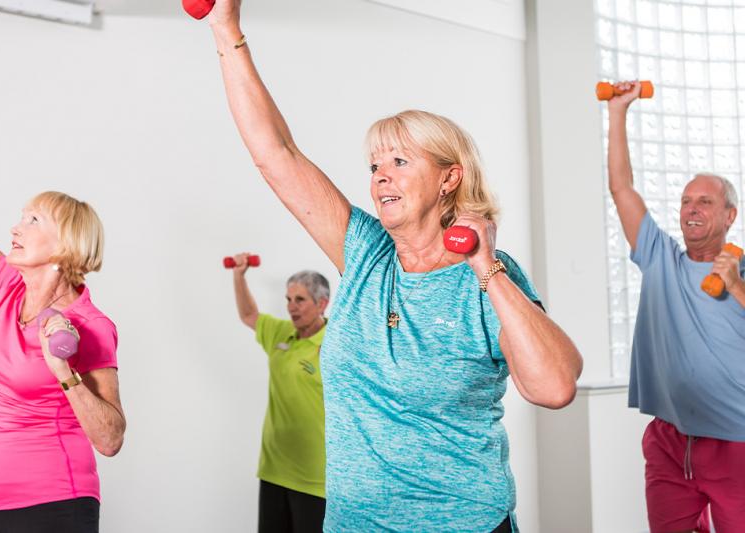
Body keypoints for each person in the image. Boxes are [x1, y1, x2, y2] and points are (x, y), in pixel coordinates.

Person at [205, 2, 583, 531]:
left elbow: (555, 387)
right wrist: (227, 30)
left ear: (449, 178)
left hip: (463, 523)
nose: (380, 176)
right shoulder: (365, 254)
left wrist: (485, 265)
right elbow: (276, 154)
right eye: (374, 166)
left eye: (400, 162)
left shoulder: (487, 278)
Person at [0, 83, 125, 533]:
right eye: (21, 216)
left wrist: (65, 372)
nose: (15, 227)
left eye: (32, 220)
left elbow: (110, 438)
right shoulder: (4, 284)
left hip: (53, 507)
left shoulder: (90, 325)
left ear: (66, 244)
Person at [605, 81, 745, 533]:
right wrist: (618, 111)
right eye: (686, 201)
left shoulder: (739, 269)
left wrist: (735, 285)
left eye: (705, 201)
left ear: (729, 216)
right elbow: (621, 187)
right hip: (670, 441)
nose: (691, 209)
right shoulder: (658, 257)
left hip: (737, 443)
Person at [230, 254, 328, 532]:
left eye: (300, 300)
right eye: (288, 299)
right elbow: (249, 315)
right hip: (274, 469)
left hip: (314, 476)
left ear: (322, 304)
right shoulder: (281, 333)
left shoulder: (335, 345)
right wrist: (239, 275)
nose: (291, 308)